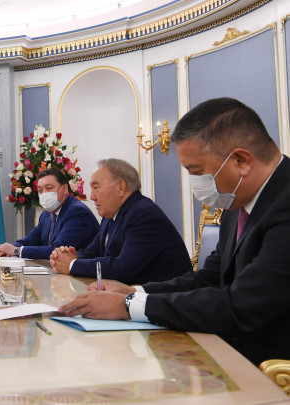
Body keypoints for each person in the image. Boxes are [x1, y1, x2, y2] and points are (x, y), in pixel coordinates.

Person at [58, 98, 290, 366]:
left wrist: (129, 306)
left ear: (240, 160)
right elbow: (209, 278)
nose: (196, 184)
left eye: (197, 172)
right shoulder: (236, 203)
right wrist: (134, 292)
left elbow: (244, 304)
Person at [50, 158, 191, 284]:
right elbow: (92, 251)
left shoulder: (143, 214)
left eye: (96, 188)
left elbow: (123, 268)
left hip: (164, 300)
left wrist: (72, 265)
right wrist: (66, 257)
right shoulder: (110, 216)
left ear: (120, 187)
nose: (92, 196)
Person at [0, 167, 99, 259]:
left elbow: (57, 251)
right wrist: (9, 248)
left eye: (49, 188)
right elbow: (29, 240)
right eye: (40, 190)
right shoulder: (46, 214)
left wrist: (16, 251)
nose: (44, 194)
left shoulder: (77, 212)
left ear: (65, 189)